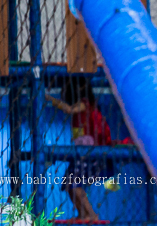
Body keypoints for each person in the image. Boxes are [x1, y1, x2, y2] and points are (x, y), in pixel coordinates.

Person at [46, 77, 115, 222]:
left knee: (75, 184)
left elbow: (69, 109)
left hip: (91, 155)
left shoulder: (85, 104)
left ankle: (91, 214)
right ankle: (82, 213)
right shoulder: (83, 110)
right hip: (83, 154)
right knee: (68, 184)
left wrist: (48, 98)